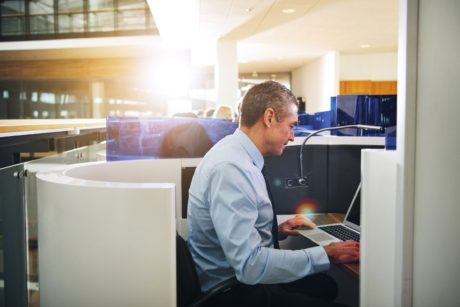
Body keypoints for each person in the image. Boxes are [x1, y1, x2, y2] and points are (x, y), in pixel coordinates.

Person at [187, 80, 359, 307]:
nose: (292, 137)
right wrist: (326, 253)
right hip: (233, 293)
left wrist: (274, 231)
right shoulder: (232, 169)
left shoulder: (237, 155)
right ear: (269, 118)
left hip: (241, 279)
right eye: (291, 125)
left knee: (326, 285)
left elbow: (234, 232)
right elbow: (249, 266)